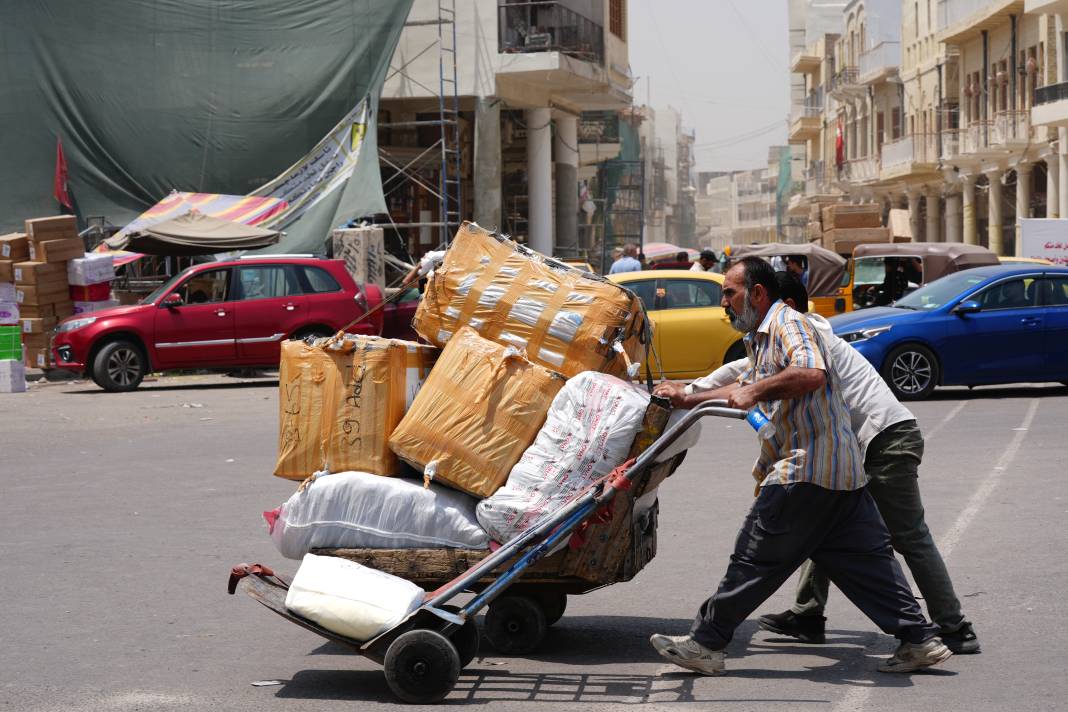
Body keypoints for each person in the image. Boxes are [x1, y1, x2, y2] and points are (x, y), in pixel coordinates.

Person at [647, 257, 950, 676]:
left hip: (807, 468)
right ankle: (919, 640)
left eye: (729, 294)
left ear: (757, 293)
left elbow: (810, 374)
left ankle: (706, 643)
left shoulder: (790, 324)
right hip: (839, 473)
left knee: (754, 559)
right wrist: (690, 397)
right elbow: (742, 381)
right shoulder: (762, 336)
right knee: (868, 562)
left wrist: (756, 391)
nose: (725, 304)